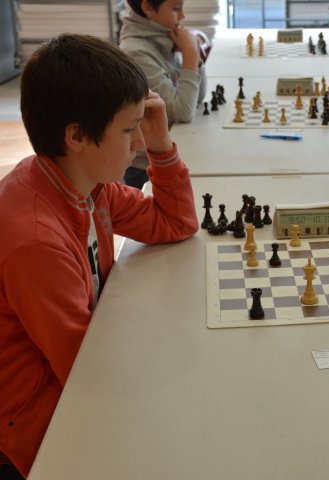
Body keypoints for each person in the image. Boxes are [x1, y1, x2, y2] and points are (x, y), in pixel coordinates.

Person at [0, 34, 199, 477]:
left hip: (73, 384)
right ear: (76, 136)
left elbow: (176, 223)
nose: (139, 144)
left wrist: (162, 144)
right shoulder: (37, 242)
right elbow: (88, 373)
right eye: (129, 130)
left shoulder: (88, 186)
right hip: (33, 436)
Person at [120, 0, 208, 188]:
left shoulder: (162, 37)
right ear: (148, 7)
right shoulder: (136, 52)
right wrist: (190, 53)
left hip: (171, 151)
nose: (183, 16)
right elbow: (183, 111)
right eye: (176, 8)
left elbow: (197, 98)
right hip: (146, 168)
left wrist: (196, 60)